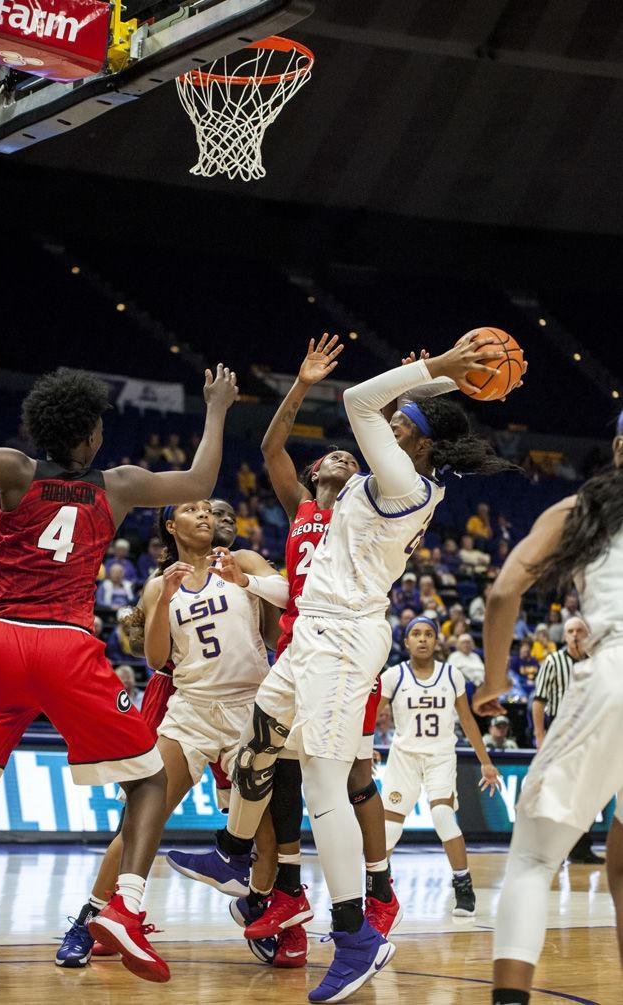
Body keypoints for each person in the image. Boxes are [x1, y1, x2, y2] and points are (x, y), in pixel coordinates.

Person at [168, 332, 523, 1003]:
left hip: (343, 640)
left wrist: (436, 368)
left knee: (328, 788)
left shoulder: (402, 482)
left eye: (398, 425)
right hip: (314, 635)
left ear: (414, 443)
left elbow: (360, 400)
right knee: (257, 740)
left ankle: (356, 932)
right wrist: (443, 380)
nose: (386, 424)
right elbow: (381, 407)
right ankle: (233, 851)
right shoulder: (401, 475)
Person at [0, 318, 238, 983]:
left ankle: (114, 911)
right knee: (148, 778)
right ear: (87, 434)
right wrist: (217, 408)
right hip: (64, 643)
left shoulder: (12, 469)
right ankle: (126, 907)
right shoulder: (119, 484)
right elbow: (201, 475)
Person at [169, 335, 400, 961]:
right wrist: (299, 384)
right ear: (313, 475)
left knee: (350, 776)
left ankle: (375, 897)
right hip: (301, 647)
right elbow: (272, 445)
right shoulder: (300, 506)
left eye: (351, 459)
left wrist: (402, 391)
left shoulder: (365, 510)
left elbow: (398, 467)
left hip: (347, 649)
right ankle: (273, 885)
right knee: (272, 768)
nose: (340, 460)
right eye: (331, 457)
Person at [59, 498, 287, 968]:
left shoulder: (241, 561)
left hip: (251, 707)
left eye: (209, 508)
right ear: (170, 525)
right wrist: (163, 599)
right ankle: (94, 915)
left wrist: (248, 582)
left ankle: (259, 906)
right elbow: (157, 658)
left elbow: (290, 594)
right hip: (192, 710)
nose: (204, 514)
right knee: (144, 815)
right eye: (191, 508)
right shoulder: (157, 585)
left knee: (266, 833)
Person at [473, 419, 623, 1005]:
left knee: (535, 859)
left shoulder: (583, 507)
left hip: (615, 678)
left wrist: (493, 678)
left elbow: (505, 591)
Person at [379, 617, 500, 916]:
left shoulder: (452, 674)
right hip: (404, 757)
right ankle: (378, 886)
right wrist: (364, 748)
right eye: (416, 634)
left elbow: (468, 720)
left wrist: (486, 761)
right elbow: (370, 716)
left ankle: (463, 884)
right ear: (406, 642)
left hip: (441, 757)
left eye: (429, 634)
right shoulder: (393, 676)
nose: (422, 639)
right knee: (389, 828)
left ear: (437, 641)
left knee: (444, 817)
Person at [532, 616, 601, 865]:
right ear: (564, 636)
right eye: (570, 631)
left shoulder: (597, 664)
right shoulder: (553, 661)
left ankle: (580, 847)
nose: (574, 635)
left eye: (579, 631)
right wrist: (540, 736)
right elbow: (538, 701)